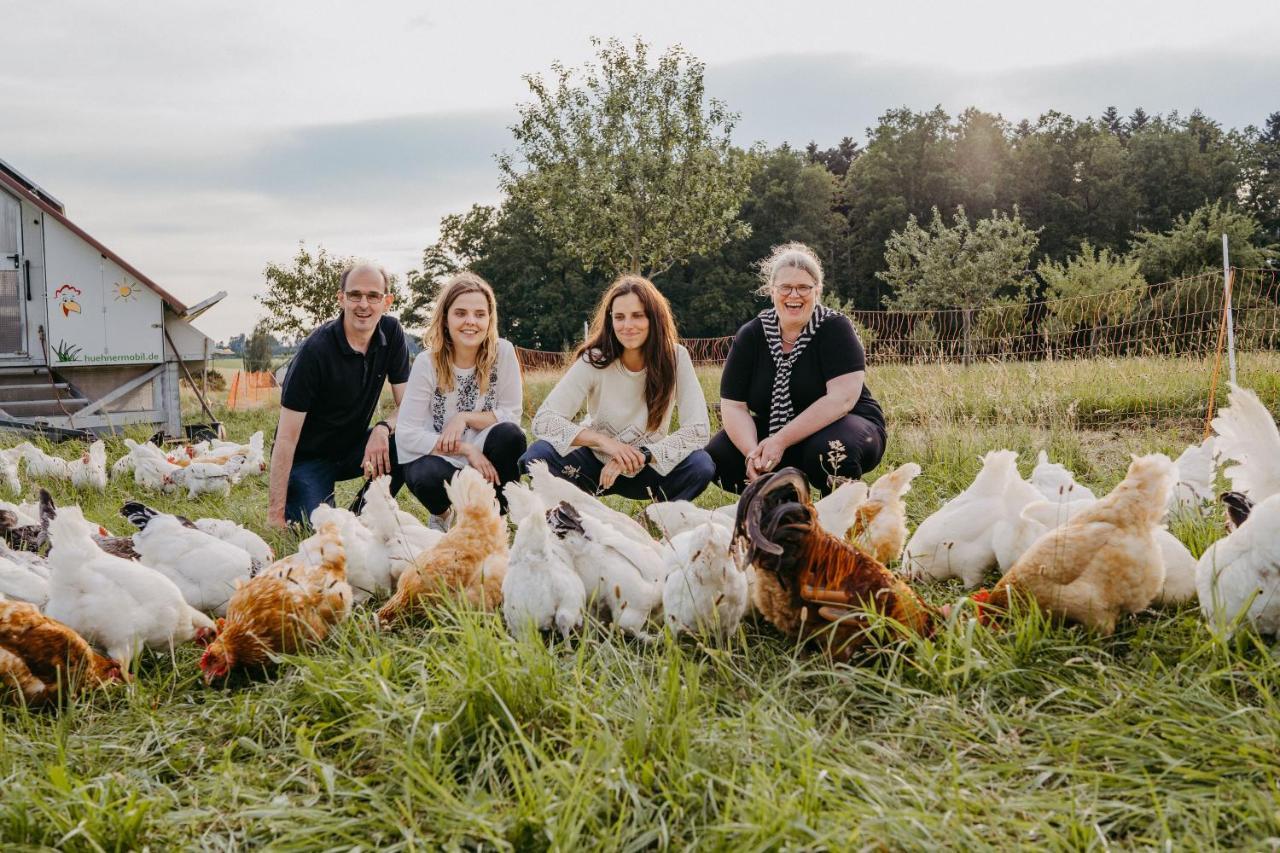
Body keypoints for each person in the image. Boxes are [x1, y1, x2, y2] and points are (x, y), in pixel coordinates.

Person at [706, 242, 885, 495]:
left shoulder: (835, 328)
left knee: (828, 449)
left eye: (803, 287)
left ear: (817, 291)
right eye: (786, 287)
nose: (794, 295)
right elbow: (733, 405)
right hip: (776, 430)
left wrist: (780, 440)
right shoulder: (751, 335)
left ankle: (843, 507)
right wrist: (751, 453)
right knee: (719, 455)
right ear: (772, 291)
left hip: (846, 424)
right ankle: (786, 505)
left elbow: (842, 399)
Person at [520, 275, 715, 502]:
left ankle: (654, 517)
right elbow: (544, 420)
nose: (627, 326)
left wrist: (643, 455)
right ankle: (575, 516)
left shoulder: (676, 358)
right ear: (610, 320)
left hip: (649, 465)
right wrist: (606, 444)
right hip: (594, 467)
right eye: (619, 317)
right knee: (538, 457)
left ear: (654, 318)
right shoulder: (594, 359)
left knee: (701, 465)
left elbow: (698, 429)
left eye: (637, 316)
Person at [268, 262, 411, 527]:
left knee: (407, 440)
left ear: (387, 301)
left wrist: (382, 428)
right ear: (341, 298)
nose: (363, 305)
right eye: (355, 295)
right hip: (308, 459)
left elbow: (408, 406)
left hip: (353, 448)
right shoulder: (315, 351)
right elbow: (286, 438)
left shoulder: (391, 334)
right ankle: (314, 510)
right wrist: (274, 514)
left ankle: (364, 516)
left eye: (373, 296)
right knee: (319, 532)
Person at [396, 272, 526, 526]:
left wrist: (464, 417)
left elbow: (512, 414)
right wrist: (465, 449)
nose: (471, 322)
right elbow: (406, 433)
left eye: (480, 314)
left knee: (511, 435)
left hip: (486, 452)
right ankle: (445, 516)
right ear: (445, 319)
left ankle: (495, 517)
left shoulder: (503, 352)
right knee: (422, 473)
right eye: (460, 313)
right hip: (441, 457)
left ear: (489, 319)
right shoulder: (427, 362)